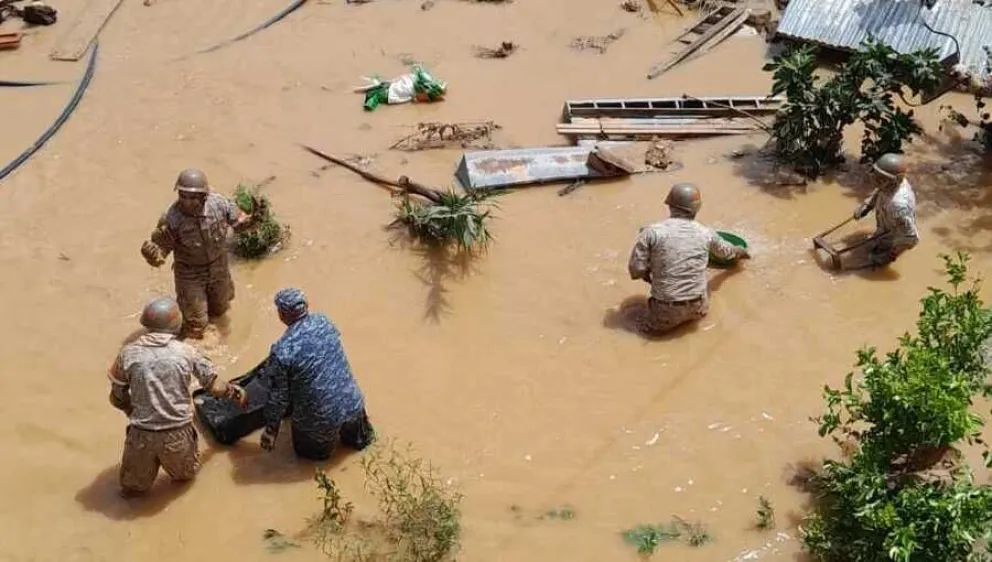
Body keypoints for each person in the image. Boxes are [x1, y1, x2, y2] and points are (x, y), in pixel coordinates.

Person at [107, 296, 247, 496]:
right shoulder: (187, 352)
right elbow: (215, 387)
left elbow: (116, 397)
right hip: (177, 433)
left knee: (132, 492)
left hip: (141, 434)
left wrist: (131, 410)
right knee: (184, 479)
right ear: (176, 324)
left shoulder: (127, 354)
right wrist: (235, 392)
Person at [258, 288, 374, 461]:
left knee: (310, 462)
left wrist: (270, 430)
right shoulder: (324, 321)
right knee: (366, 448)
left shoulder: (282, 351)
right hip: (353, 404)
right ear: (306, 306)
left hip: (319, 421)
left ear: (282, 314)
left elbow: (278, 399)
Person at [139, 168, 256, 339]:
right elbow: (160, 254)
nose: (187, 202)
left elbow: (239, 222)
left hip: (219, 266)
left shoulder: (219, 204)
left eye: (192, 197)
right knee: (196, 324)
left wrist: (251, 220)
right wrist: (151, 255)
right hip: (190, 273)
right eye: (183, 196)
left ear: (204, 196)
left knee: (221, 310)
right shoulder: (171, 218)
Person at [627, 183, 750, 335]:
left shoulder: (651, 232)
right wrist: (742, 251)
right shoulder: (706, 233)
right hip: (698, 307)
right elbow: (728, 253)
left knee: (641, 328)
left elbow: (635, 271)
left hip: (665, 312)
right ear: (696, 209)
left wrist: (649, 271)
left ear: (670, 206)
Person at [852, 153, 919, 267]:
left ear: (893, 181)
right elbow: (880, 189)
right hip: (886, 217)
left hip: (893, 232)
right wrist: (868, 204)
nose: (875, 179)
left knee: (873, 258)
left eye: (880, 178)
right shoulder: (890, 183)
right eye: (876, 175)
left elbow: (911, 238)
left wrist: (890, 256)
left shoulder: (898, 205)